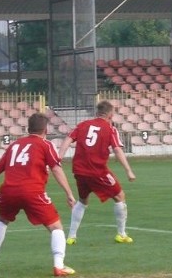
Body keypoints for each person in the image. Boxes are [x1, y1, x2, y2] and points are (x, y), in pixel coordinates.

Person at [0, 112, 77, 276]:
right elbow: (56, 168)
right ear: (45, 129)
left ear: (28, 128)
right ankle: (59, 265)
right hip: (32, 191)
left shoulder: (15, 145)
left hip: (8, 191)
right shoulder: (45, 145)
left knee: (2, 220)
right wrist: (69, 193)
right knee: (56, 227)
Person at [58, 100, 136, 245]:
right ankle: (121, 234)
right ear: (110, 114)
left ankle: (71, 236)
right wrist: (128, 171)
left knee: (82, 201)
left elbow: (68, 139)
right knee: (120, 196)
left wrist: (59, 158)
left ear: (97, 113)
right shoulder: (110, 129)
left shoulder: (82, 125)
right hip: (97, 171)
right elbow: (117, 149)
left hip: (79, 170)